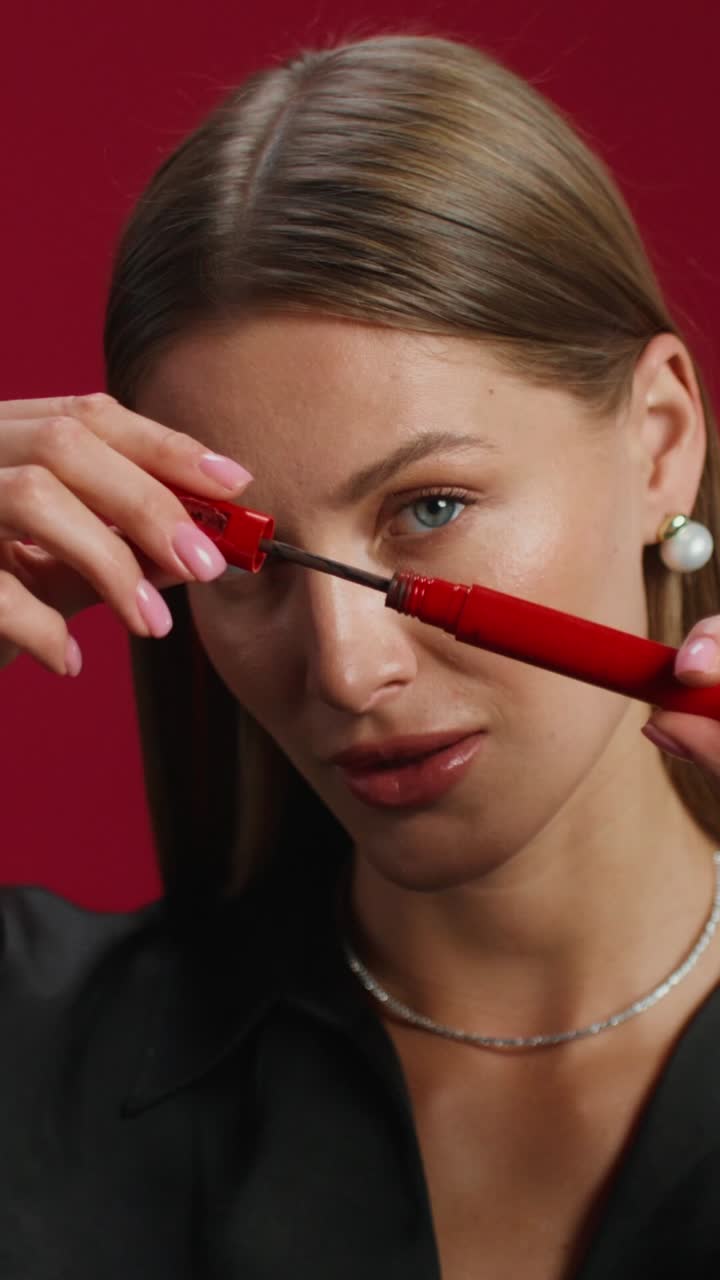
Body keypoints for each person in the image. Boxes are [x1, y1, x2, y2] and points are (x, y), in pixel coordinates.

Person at [2, 31, 720, 1280]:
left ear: (658, 440)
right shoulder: (36, 1060)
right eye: (245, 560)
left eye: (432, 504)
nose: (346, 668)